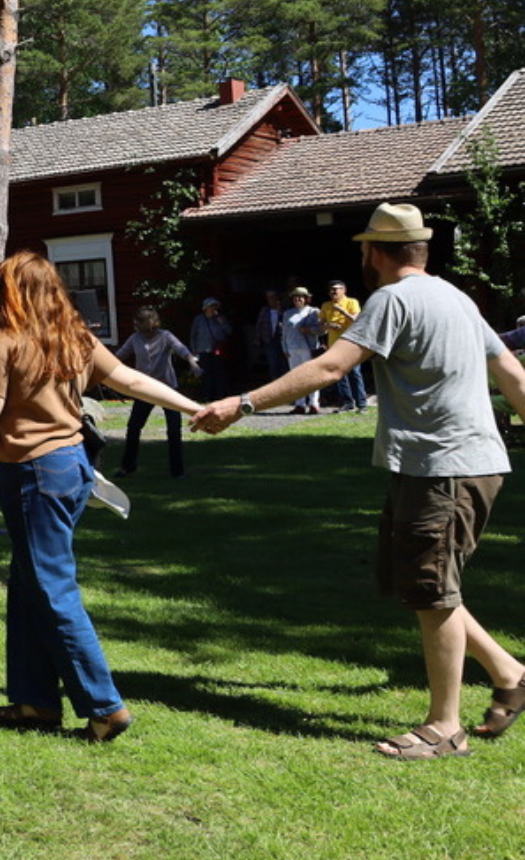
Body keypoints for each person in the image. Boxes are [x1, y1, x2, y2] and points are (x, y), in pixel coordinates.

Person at [195, 204, 525, 760]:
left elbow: (330, 368)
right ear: (420, 249)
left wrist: (242, 402)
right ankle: (511, 673)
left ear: (374, 252)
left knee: (434, 591)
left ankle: (444, 727)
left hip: (443, 468)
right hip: (454, 464)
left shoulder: (391, 300)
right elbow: (513, 373)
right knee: (423, 584)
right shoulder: (457, 297)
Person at [0, 251, 201, 744]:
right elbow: (129, 380)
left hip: (34, 474)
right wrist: (191, 405)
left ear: (11, 291)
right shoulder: (72, 336)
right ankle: (36, 701)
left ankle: (104, 707)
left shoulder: (1, 341)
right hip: (73, 468)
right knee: (28, 581)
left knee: (50, 587)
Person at [113, 307, 201, 478]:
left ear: (146, 323)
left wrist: (193, 363)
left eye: (137, 321)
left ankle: (177, 471)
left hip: (167, 388)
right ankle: (128, 467)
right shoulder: (134, 338)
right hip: (145, 389)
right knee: (133, 428)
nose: (134, 324)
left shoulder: (165, 336)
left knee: (174, 429)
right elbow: (119, 356)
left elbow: (182, 350)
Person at [321, 280, 368, 412]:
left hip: (350, 344)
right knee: (339, 375)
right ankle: (347, 403)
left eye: (337, 289)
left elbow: (357, 320)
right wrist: (329, 326)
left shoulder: (352, 302)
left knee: (355, 373)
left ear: (344, 290)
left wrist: (342, 311)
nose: (334, 292)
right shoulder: (326, 305)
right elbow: (321, 325)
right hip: (334, 345)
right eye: (331, 289)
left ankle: (362, 404)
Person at [281, 288, 324, 414]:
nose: (298, 299)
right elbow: (284, 333)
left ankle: (314, 404)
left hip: (308, 348)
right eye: (295, 297)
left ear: (306, 298)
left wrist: (309, 330)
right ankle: (299, 404)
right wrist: (285, 348)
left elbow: (323, 330)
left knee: (312, 376)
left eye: (301, 297)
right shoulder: (288, 313)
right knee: (296, 377)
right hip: (292, 349)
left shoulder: (314, 311)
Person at [188, 297, 233, 401]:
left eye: (215, 306)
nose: (213, 309)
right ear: (206, 308)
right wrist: (194, 349)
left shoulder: (220, 319)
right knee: (206, 375)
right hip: (203, 350)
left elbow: (229, 332)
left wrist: (222, 323)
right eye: (211, 306)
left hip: (217, 350)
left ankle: (221, 395)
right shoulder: (198, 319)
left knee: (219, 373)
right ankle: (206, 396)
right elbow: (193, 335)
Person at [254, 290, 287, 384]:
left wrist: (280, 311)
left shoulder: (284, 310)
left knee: (284, 364)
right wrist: (257, 338)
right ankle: (275, 385)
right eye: (269, 298)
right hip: (269, 340)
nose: (271, 299)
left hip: (282, 340)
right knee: (273, 364)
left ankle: (284, 385)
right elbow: (259, 324)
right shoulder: (265, 310)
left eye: (273, 297)